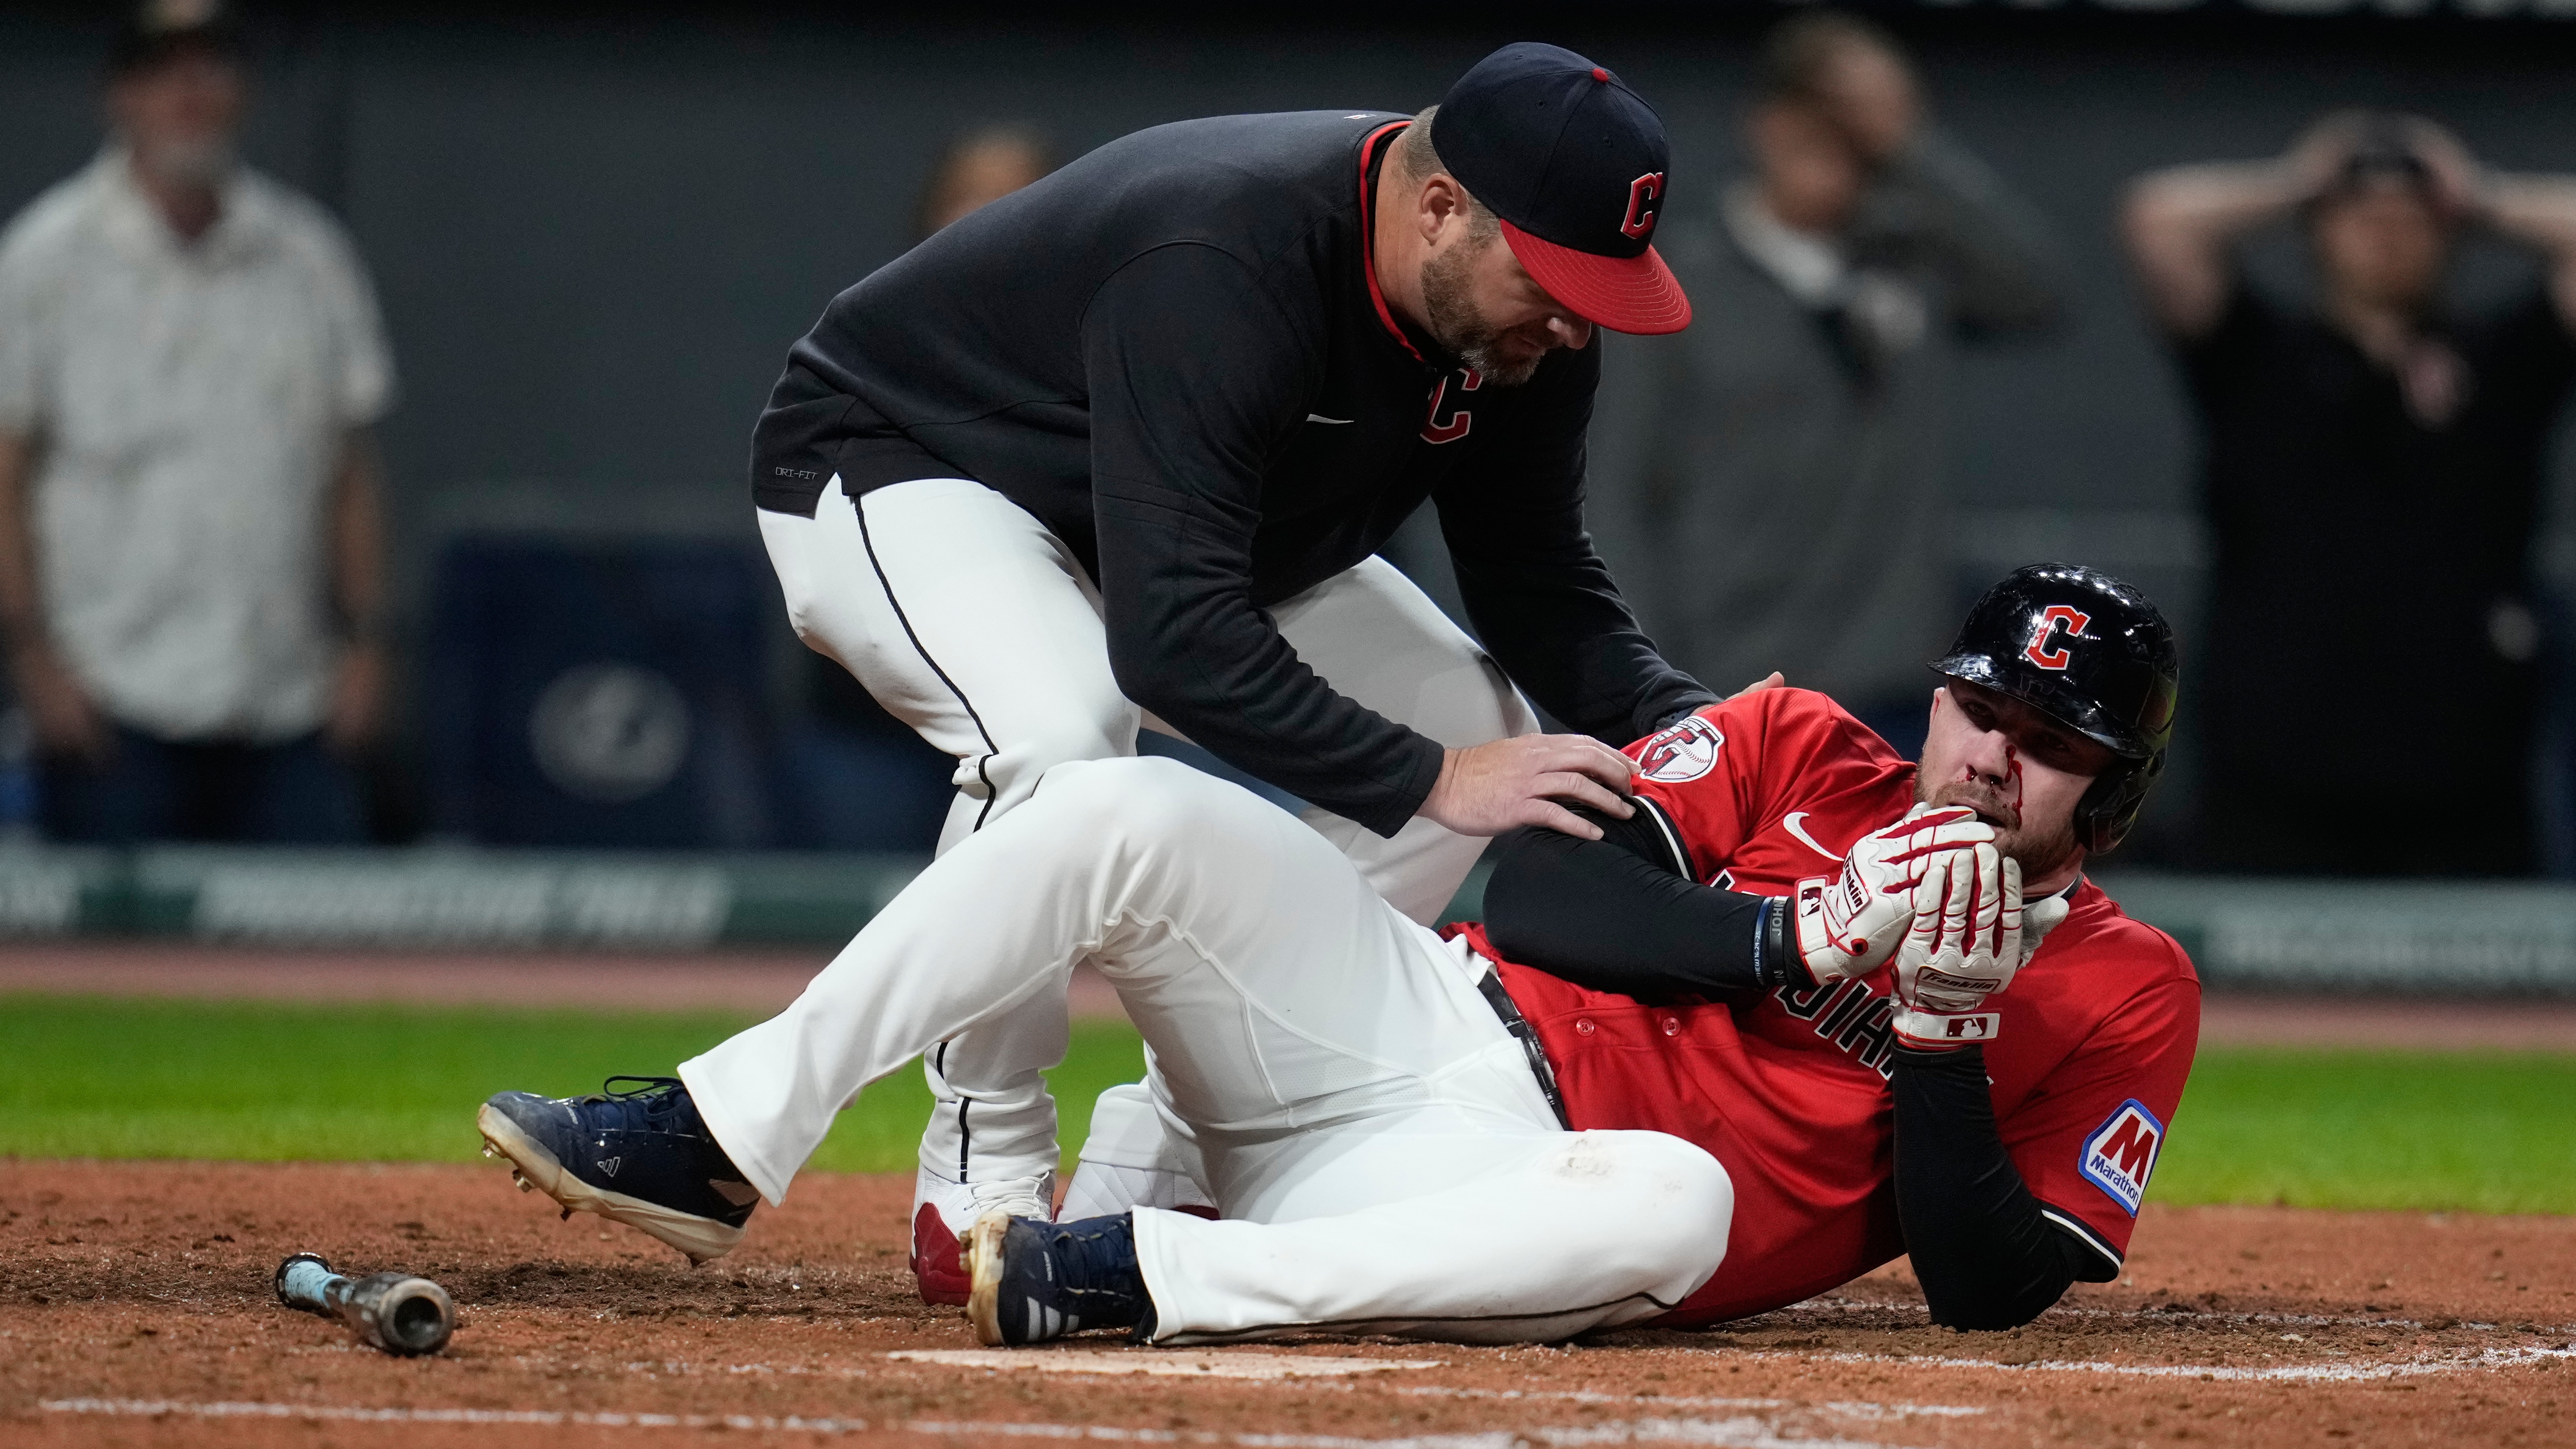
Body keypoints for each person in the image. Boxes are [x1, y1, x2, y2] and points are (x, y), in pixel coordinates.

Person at [474, 563, 2197, 1343]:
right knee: (1102, 802)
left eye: (2041, 741)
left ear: (2105, 797)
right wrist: (1793, 930)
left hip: (1509, 1201)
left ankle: (1139, 1276)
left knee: (1674, 1196)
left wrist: (1949, 1034)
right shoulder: (1799, 747)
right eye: (1976, 702)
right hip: (1403, 1022)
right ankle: (717, 1132)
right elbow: (1530, 898)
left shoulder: (2126, 989)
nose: (1983, 751)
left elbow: (1987, 1290)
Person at [747, 42, 1715, 1298]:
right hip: (902, 467)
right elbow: (1173, 644)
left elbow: (1534, 575)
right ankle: (975, 1175)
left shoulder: (1517, 319)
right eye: (1556, 276)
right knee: (1061, 730)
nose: (1580, 316)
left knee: (1468, 706)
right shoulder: (1228, 250)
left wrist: (1703, 733)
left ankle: (1161, 1154)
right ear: (1438, 208)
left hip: (1175, 528)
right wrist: (1432, 778)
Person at [1593, 10, 2061, 759]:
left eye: (1871, 135)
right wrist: (1648, 694)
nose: (1849, 156)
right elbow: (1614, 498)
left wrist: (1910, 149)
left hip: (1897, 690)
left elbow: (2036, 292)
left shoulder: (1916, 262)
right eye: (1830, 128)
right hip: (1732, 693)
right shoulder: (1677, 287)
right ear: (1773, 125)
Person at [2123, 112, 2576, 875]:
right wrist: (2297, 182)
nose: (2386, 234)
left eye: (2412, 219)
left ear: (2450, 232)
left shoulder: (2502, 364)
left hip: (2463, 786)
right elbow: (2156, 220)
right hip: (2271, 778)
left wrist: (2479, 194)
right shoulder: (2256, 357)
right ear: (2317, 230)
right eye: (2361, 215)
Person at [0, 0, 392, 845]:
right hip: (114, 702)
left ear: (242, 91)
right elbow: (6, 473)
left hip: (286, 698)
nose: (189, 91)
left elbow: (350, 468)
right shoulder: (44, 260)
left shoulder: (309, 257)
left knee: (320, 965)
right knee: (105, 974)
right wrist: (33, 659)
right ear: (122, 95)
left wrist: (365, 643)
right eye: (163, 69)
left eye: (211, 67)